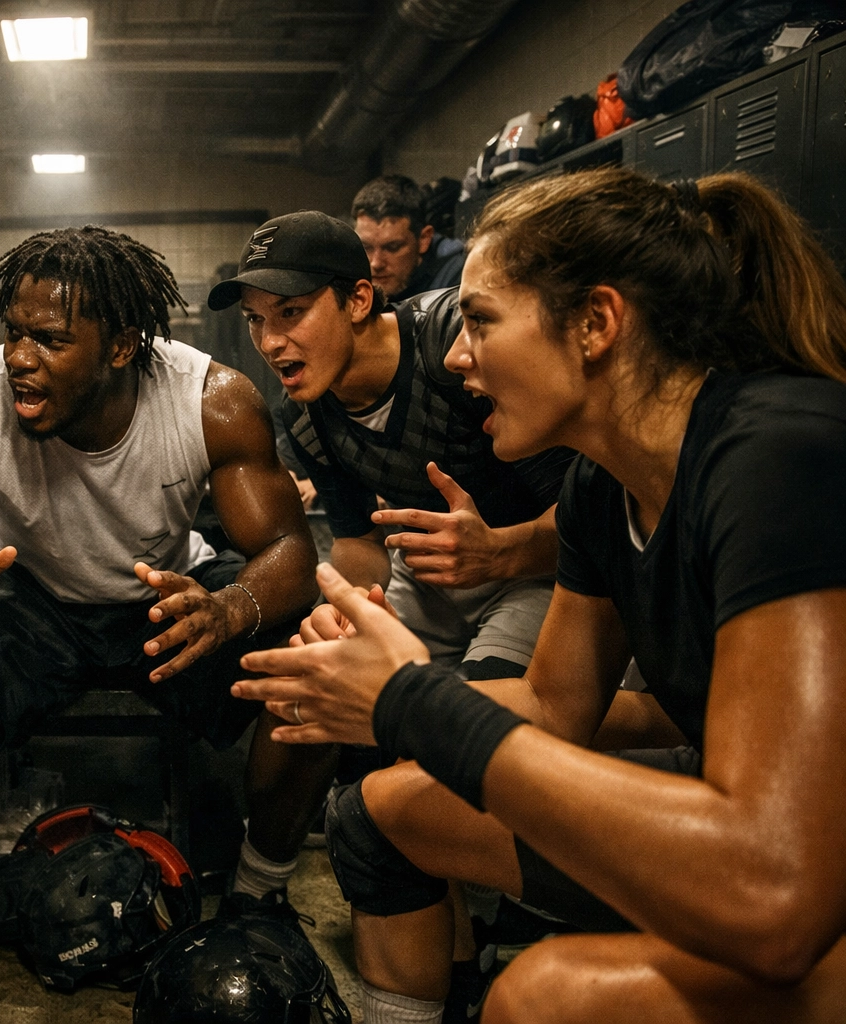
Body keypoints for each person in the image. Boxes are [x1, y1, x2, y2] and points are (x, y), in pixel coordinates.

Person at [232, 168, 846, 1023]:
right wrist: (368, 698)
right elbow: (557, 706)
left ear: (596, 324)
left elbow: (774, 894)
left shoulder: (777, 453)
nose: (455, 354)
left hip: (796, 876)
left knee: (540, 997)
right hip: (751, 832)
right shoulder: (603, 485)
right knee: (374, 816)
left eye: (480, 321)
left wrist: (414, 701)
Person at [0, 226, 331, 1024]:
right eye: (13, 333)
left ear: (120, 347)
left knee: (311, 668)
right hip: (28, 596)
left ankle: (256, 901)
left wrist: (231, 607)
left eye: (50, 339)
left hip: (165, 602)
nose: (21, 357)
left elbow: (287, 550)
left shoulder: (211, 399)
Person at [209, 210, 573, 686]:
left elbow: (593, 517)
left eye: (291, 312)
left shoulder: (453, 346)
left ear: (358, 300)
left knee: (472, 723)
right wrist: (350, 612)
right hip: (430, 579)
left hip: (541, 569)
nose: (270, 341)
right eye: (256, 319)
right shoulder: (306, 413)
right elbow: (358, 540)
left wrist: (499, 551)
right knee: (309, 692)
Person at [352, 174, 465, 303]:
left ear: (424, 239)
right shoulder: (348, 264)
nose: (376, 263)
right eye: (365, 247)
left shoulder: (459, 276)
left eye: (392, 247)